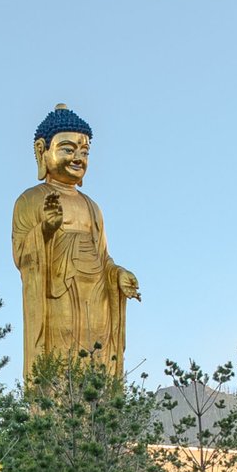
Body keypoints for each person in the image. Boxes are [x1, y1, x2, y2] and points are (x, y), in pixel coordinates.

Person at [12, 105, 140, 378]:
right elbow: (21, 255)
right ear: (42, 151)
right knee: (61, 367)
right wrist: (46, 230)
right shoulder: (30, 199)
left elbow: (103, 258)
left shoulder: (92, 207)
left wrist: (118, 274)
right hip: (57, 298)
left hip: (98, 299)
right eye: (68, 149)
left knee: (97, 366)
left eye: (84, 152)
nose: (78, 158)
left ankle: (99, 403)